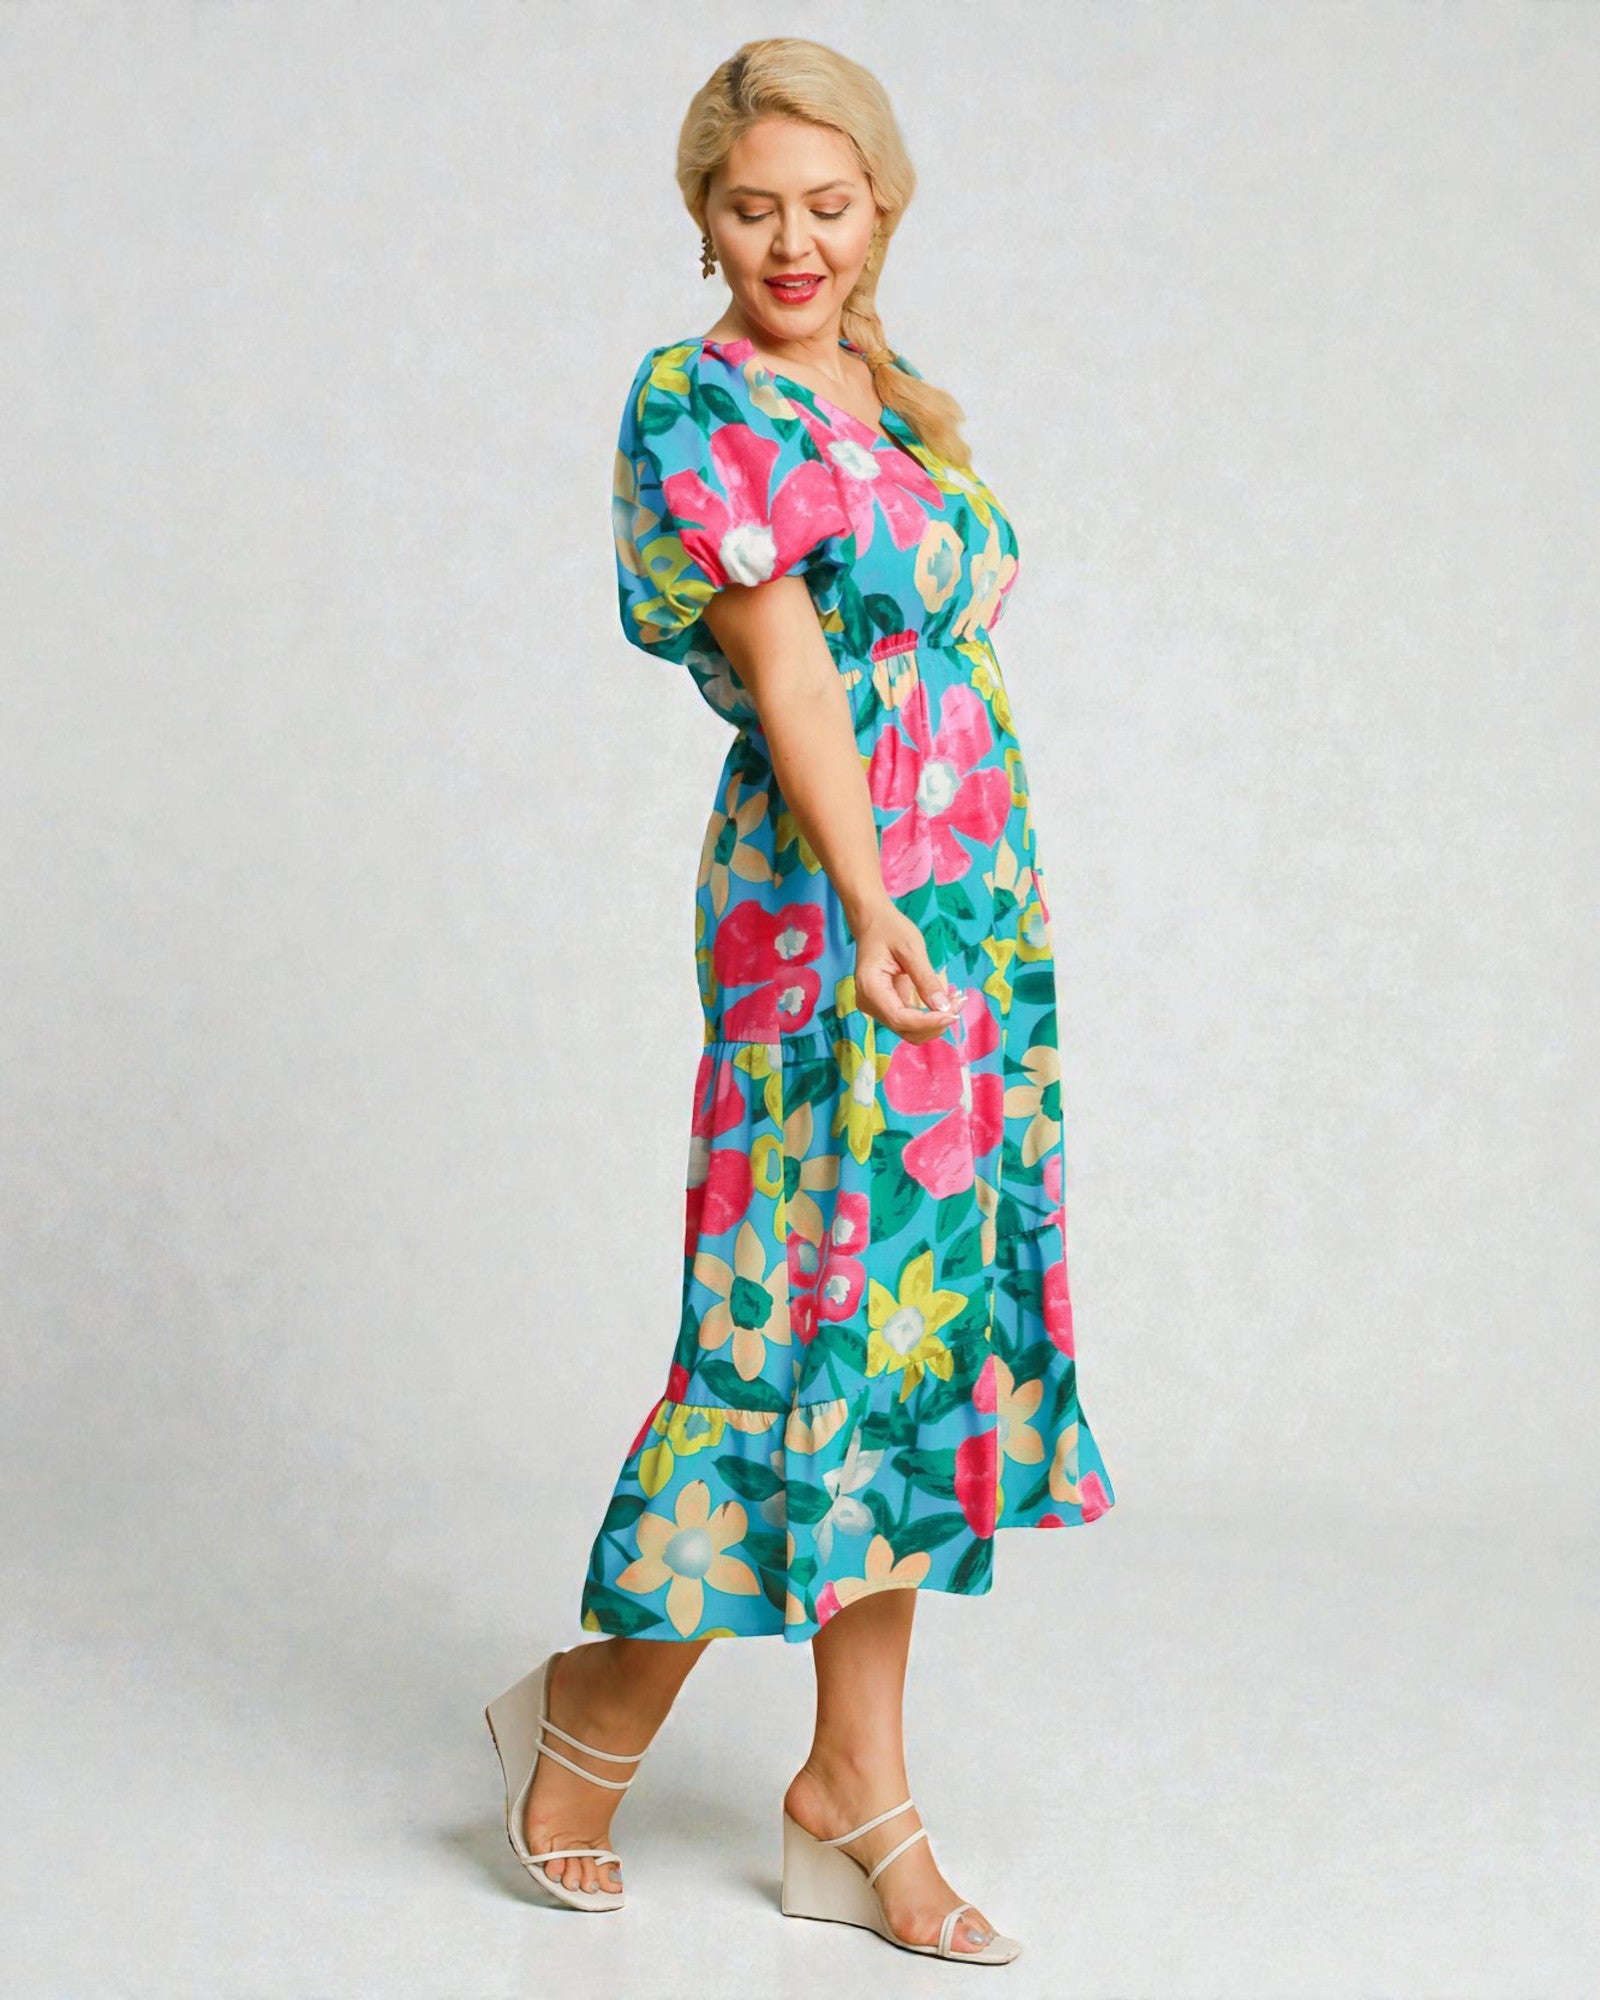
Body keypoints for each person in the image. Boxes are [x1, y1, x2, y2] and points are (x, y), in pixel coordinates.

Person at [486, 35, 1116, 1965]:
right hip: (829, 903)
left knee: (912, 1336)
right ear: (702, 224)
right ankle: (591, 1716)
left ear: (882, 210)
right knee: (790, 1313)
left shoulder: (899, 404)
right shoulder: (697, 402)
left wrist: (944, 908)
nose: (793, 241)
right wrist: (866, 901)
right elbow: (792, 672)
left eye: (826, 206)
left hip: (971, 910)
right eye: (752, 208)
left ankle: (858, 1788)